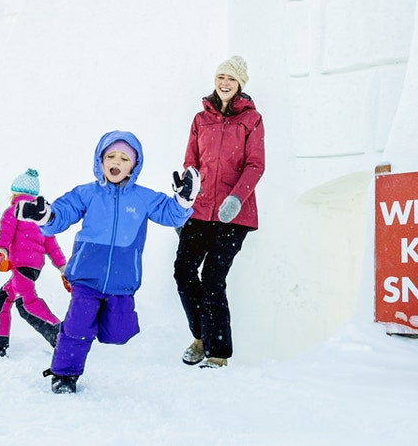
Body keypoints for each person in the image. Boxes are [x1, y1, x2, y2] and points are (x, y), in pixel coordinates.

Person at [15, 130, 200, 394]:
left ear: (134, 166)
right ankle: (64, 374)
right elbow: (62, 213)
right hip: (87, 275)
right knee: (78, 325)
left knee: (118, 333)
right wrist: (45, 216)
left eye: (124, 158)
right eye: (110, 156)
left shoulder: (143, 197)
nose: (116, 162)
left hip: (122, 280)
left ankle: (91, 328)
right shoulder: (87, 194)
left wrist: (183, 201)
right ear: (100, 161)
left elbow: (171, 215)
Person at [173, 55, 265, 369]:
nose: (224, 82)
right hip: (199, 211)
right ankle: (201, 336)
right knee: (183, 272)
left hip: (233, 215)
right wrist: (185, 193)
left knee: (213, 279)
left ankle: (218, 352)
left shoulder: (251, 120)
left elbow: (255, 164)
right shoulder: (201, 119)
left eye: (231, 78)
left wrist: (237, 198)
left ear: (240, 84)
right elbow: (191, 162)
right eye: (220, 77)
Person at [0, 168, 69, 357]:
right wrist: (63, 268)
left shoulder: (13, 211)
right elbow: (52, 245)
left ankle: (60, 337)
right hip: (33, 267)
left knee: (27, 304)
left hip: (20, 265)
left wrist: (1, 251)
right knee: (1, 301)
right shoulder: (41, 216)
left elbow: (5, 233)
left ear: (15, 193)